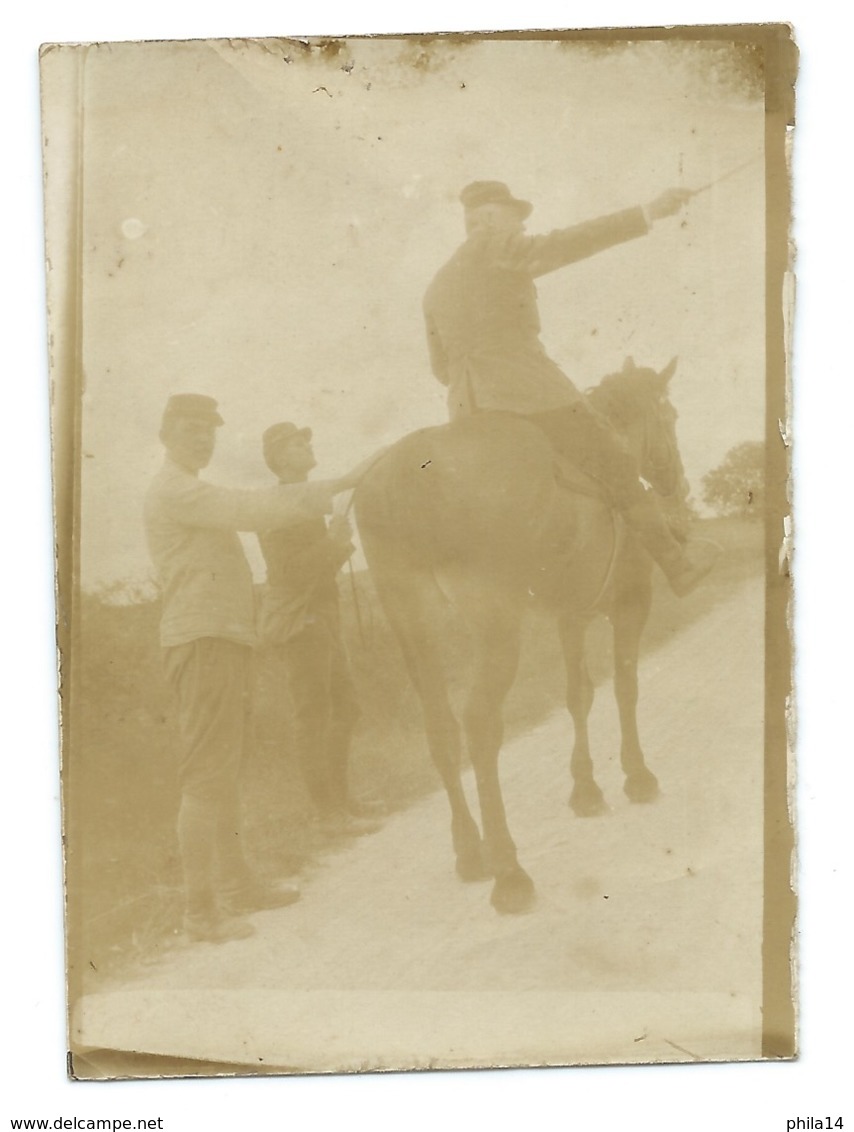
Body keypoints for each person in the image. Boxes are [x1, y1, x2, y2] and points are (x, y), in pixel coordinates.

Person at [422, 179, 717, 596]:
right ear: (487, 219)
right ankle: (676, 565)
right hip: (528, 393)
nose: (522, 232)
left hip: (467, 408)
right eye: (516, 222)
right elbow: (568, 243)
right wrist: (647, 212)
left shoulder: (435, 286)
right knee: (617, 462)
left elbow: (440, 368)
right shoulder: (494, 246)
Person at [144, 394, 364, 944]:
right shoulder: (176, 489)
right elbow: (251, 510)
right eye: (192, 430)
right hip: (203, 641)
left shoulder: (186, 488)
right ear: (167, 433)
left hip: (223, 639)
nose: (204, 439)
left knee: (223, 768)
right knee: (207, 774)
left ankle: (237, 887)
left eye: (209, 431)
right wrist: (339, 483)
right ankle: (200, 913)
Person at [257, 422, 382, 837]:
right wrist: (333, 541)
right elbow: (291, 574)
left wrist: (335, 542)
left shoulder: (305, 502)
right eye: (297, 443)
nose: (307, 446)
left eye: (306, 439)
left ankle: (341, 802)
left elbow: (314, 568)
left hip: (320, 617)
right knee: (313, 715)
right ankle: (329, 813)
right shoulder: (276, 507)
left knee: (344, 708)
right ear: (278, 459)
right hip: (300, 622)